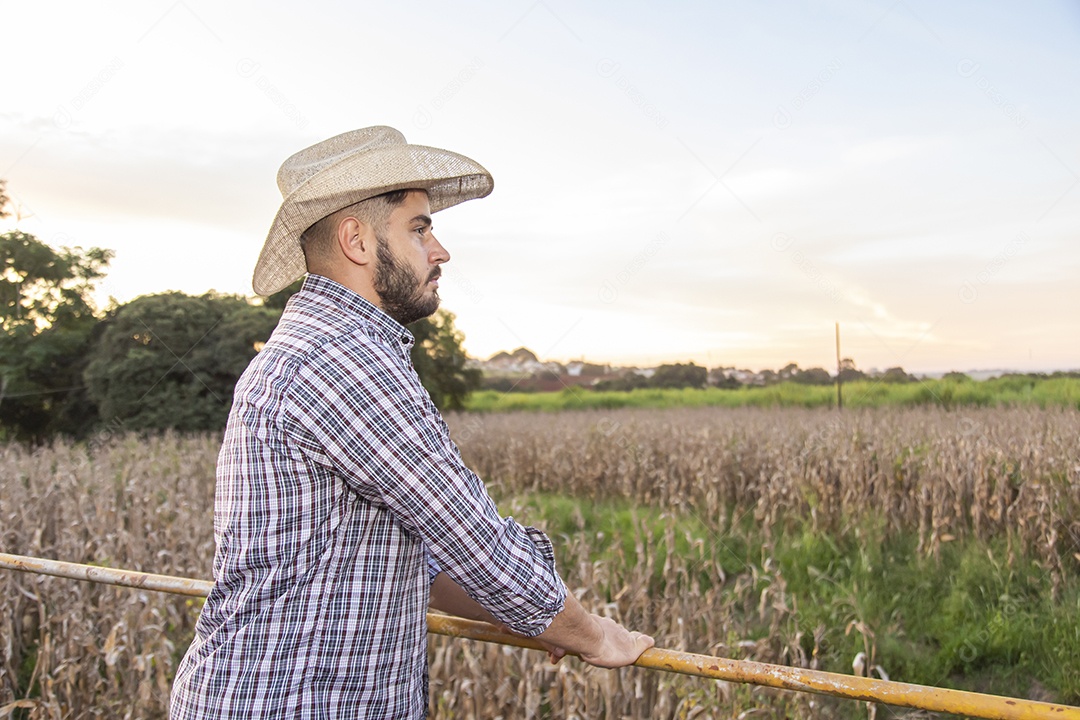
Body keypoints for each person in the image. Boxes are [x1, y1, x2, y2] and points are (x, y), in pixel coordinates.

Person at [169, 126, 653, 719]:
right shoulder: (339, 358)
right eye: (419, 228)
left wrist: (531, 619)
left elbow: (410, 561)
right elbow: (471, 535)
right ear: (358, 241)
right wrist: (593, 634)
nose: (440, 250)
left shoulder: (321, 347)